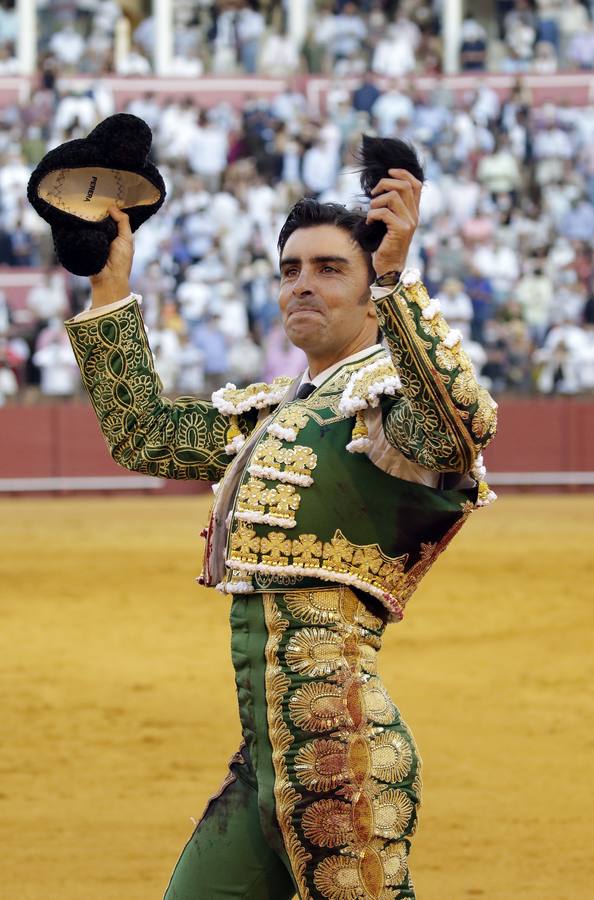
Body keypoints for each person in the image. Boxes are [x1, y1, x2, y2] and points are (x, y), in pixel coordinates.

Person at [64, 139, 497, 899]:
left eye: (331, 269)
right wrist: (110, 287)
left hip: (344, 753)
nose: (303, 284)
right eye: (290, 269)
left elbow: (459, 426)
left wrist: (400, 277)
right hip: (266, 755)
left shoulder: (387, 406)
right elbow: (146, 434)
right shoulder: (277, 411)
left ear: (371, 294)